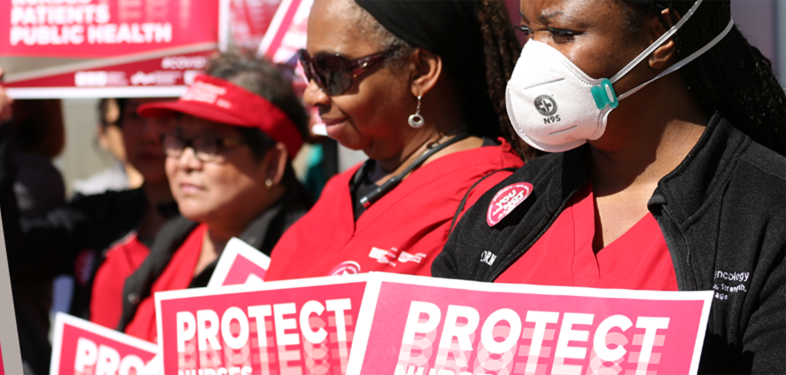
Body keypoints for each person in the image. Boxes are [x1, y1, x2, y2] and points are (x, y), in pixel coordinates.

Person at [433, 0, 786, 371]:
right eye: (528, 33)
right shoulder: (505, 213)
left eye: (563, 34)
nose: (534, 61)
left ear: (661, 36)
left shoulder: (768, 215)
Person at [262, 0, 528, 281]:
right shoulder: (340, 189)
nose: (312, 95)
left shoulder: (491, 202)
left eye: (331, 71)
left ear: (420, 71)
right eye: (308, 68)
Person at [0, 69, 177, 374]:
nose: (148, 133)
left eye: (164, 117)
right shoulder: (95, 214)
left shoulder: (224, 229)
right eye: (135, 115)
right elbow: (9, 255)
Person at [115, 53, 314, 342]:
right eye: (178, 140)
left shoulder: (301, 270)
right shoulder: (177, 236)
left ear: (272, 163)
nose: (186, 162)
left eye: (209, 144)